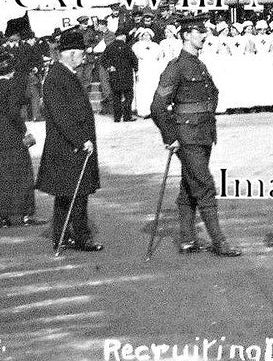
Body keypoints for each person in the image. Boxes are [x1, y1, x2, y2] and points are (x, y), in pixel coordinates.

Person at [151, 15, 240, 257]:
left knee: (189, 185)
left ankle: (188, 239)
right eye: (200, 31)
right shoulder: (176, 67)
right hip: (187, 137)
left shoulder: (199, 64)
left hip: (202, 134)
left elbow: (212, 96)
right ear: (186, 34)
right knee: (204, 185)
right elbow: (158, 106)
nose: (205, 35)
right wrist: (171, 136)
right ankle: (219, 242)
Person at [36, 30, 103, 252]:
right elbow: (61, 115)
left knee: (69, 193)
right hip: (68, 147)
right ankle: (81, 237)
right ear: (72, 54)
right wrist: (81, 140)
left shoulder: (65, 74)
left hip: (70, 146)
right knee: (75, 193)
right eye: (81, 54)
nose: (83, 58)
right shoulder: (56, 77)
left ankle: (63, 235)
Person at [0, 54, 37, 227]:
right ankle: (24, 213)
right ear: (10, 71)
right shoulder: (13, 87)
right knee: (21, 173)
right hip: (12, 134)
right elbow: (14, 112)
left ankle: (2, 216)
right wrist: (23, 129)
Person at [101, 30, 138, 123]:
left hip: (115, 75)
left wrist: (109, 67)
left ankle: (117, 117)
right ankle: (127, 116)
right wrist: (136, 70)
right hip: (126, 75)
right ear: (122, 36)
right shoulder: (127, 47)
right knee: (128, 96)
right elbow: (134, 59)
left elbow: (103, 59)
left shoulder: (109, 47)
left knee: (116, 96)